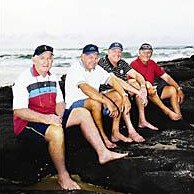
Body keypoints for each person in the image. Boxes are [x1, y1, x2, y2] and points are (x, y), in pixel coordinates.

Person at [12, 45, 128, 190]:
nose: (46, 62)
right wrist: (48, 119)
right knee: (56, 132)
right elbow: (19, 111)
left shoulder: (52, 77)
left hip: (51, 116)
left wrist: (59, 116)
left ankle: (103, 153)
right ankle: (63, 175)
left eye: (49, 58)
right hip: (29, 122)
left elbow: (60, 102)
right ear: (34, 59)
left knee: (82, 112)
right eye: (42, 58)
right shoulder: (24, 78)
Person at [65, 44, 132, 149]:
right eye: (90, 57)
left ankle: (115, 132)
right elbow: (86, 89)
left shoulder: (97, 68)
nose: (93, 60)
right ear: (82, 57)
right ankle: (102, 137)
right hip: (75, 106)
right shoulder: (76, 68)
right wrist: (107, 102)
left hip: (93, 101)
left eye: (96, 57)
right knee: (95, 102)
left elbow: (112, 80)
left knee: (117, 94)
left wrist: (124, 96)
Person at [98, 42, 158, 143]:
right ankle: (131, 130)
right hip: (106, 92)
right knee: (122, 94)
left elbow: (137, 75)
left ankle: (142, 120)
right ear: (108, 52)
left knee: (135, 82)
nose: (117, 54)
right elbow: (116, 81)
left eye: (119, 51)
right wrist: (137, 93)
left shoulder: (122, 63)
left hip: (121, 89)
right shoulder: (102, 62)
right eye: (114, 51)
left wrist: (142, 88)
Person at [130, 43, 184, 120]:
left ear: (151, 53)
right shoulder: (134, 64)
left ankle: (179, 117)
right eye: (144, 52)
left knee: (172, 90)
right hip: (141, 95)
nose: (146, 54)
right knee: (148, 86)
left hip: (152, 92)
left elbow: (166, 77)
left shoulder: (152, 63)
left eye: (149, 52)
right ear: (139, 53)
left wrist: (179, 89)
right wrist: (145, 88)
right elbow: (131, 82)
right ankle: (167, 111)